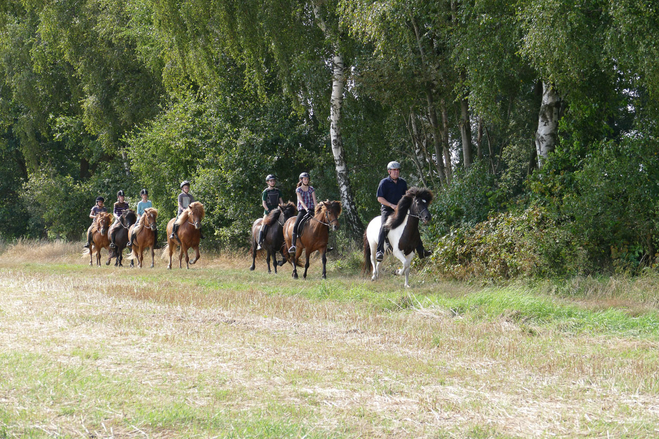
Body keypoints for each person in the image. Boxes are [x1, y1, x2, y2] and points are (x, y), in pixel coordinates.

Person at [375, 161, 431, 262]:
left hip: (400, 210)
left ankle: (421, 250)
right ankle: (380, 251)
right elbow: (380, 198)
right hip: (387, 210)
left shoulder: (402, 182)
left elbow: (406, 197)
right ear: (389, 171)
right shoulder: (384, 182)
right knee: (384, 226)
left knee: (413, 225)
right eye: (394, 170)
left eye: (398, 170)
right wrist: (391, 205)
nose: (396, 172)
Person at [288, 172, 317, 253]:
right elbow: (301, 200)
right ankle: (293, 245)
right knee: (296, 225)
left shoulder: (311, 189)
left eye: (307, 179)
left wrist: (317, 208)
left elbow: (314, 200)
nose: (306, 180)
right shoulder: (298, 190)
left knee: (322, 222)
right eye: (305, 179)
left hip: (312, 209)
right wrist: (306, 209)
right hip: (303, 210)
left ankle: (324, 243)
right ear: (301, 180)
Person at [257, 174, 284, 250]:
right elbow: (264, 203)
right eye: (271, 181)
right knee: (263, 225)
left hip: (277, 212)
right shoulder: (265, 192)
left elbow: (281, 201)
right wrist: (268, 210)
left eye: (273, 181)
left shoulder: (278, 191)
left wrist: (282, 208)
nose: (272, 182)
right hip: (268, 212)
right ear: (267, 182)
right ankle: (260, 242)